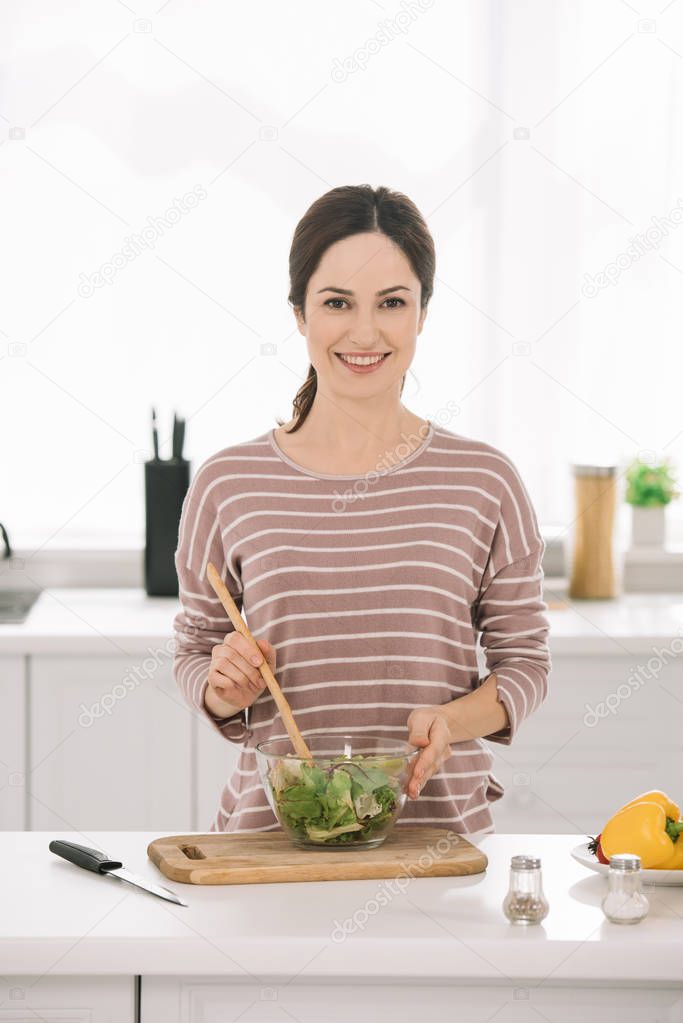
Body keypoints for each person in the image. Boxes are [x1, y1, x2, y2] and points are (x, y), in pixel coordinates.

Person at [172, 183, 551, 834]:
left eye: (392, 303)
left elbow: (525, 663)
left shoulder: (483, 480)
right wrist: (220, 684)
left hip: (437, 841)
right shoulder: (228, 482)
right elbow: (194, 650)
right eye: (337, 302)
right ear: (299, 313)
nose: (365, 331)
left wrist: (449, 722)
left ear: (422, 312)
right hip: (271, 842)